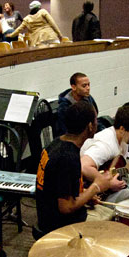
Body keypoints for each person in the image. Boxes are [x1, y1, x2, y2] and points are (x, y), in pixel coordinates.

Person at [36, 100, 110, 234]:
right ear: (89, 126)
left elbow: (59, 188)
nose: (96, 124)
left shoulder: (56, 144)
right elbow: (66, 207)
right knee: (114, 226)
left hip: (46, 216)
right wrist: (96, 187)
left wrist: (86, 196)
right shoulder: (68, 157)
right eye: (95, 120)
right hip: (59, 225)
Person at [81, 105, 129, 203]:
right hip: (97, 191)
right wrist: (108, 183)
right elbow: (84, 166)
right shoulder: (105, 144)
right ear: (122, 129)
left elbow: (117, 167)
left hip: (116, 179)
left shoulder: (123, 139)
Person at [56, 72, 99, 136]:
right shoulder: (64, 107)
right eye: (84, 86)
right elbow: (64, 131)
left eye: (88, 85)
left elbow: (95, 117)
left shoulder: (88, 98)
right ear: (74, 87)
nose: (88, 88)